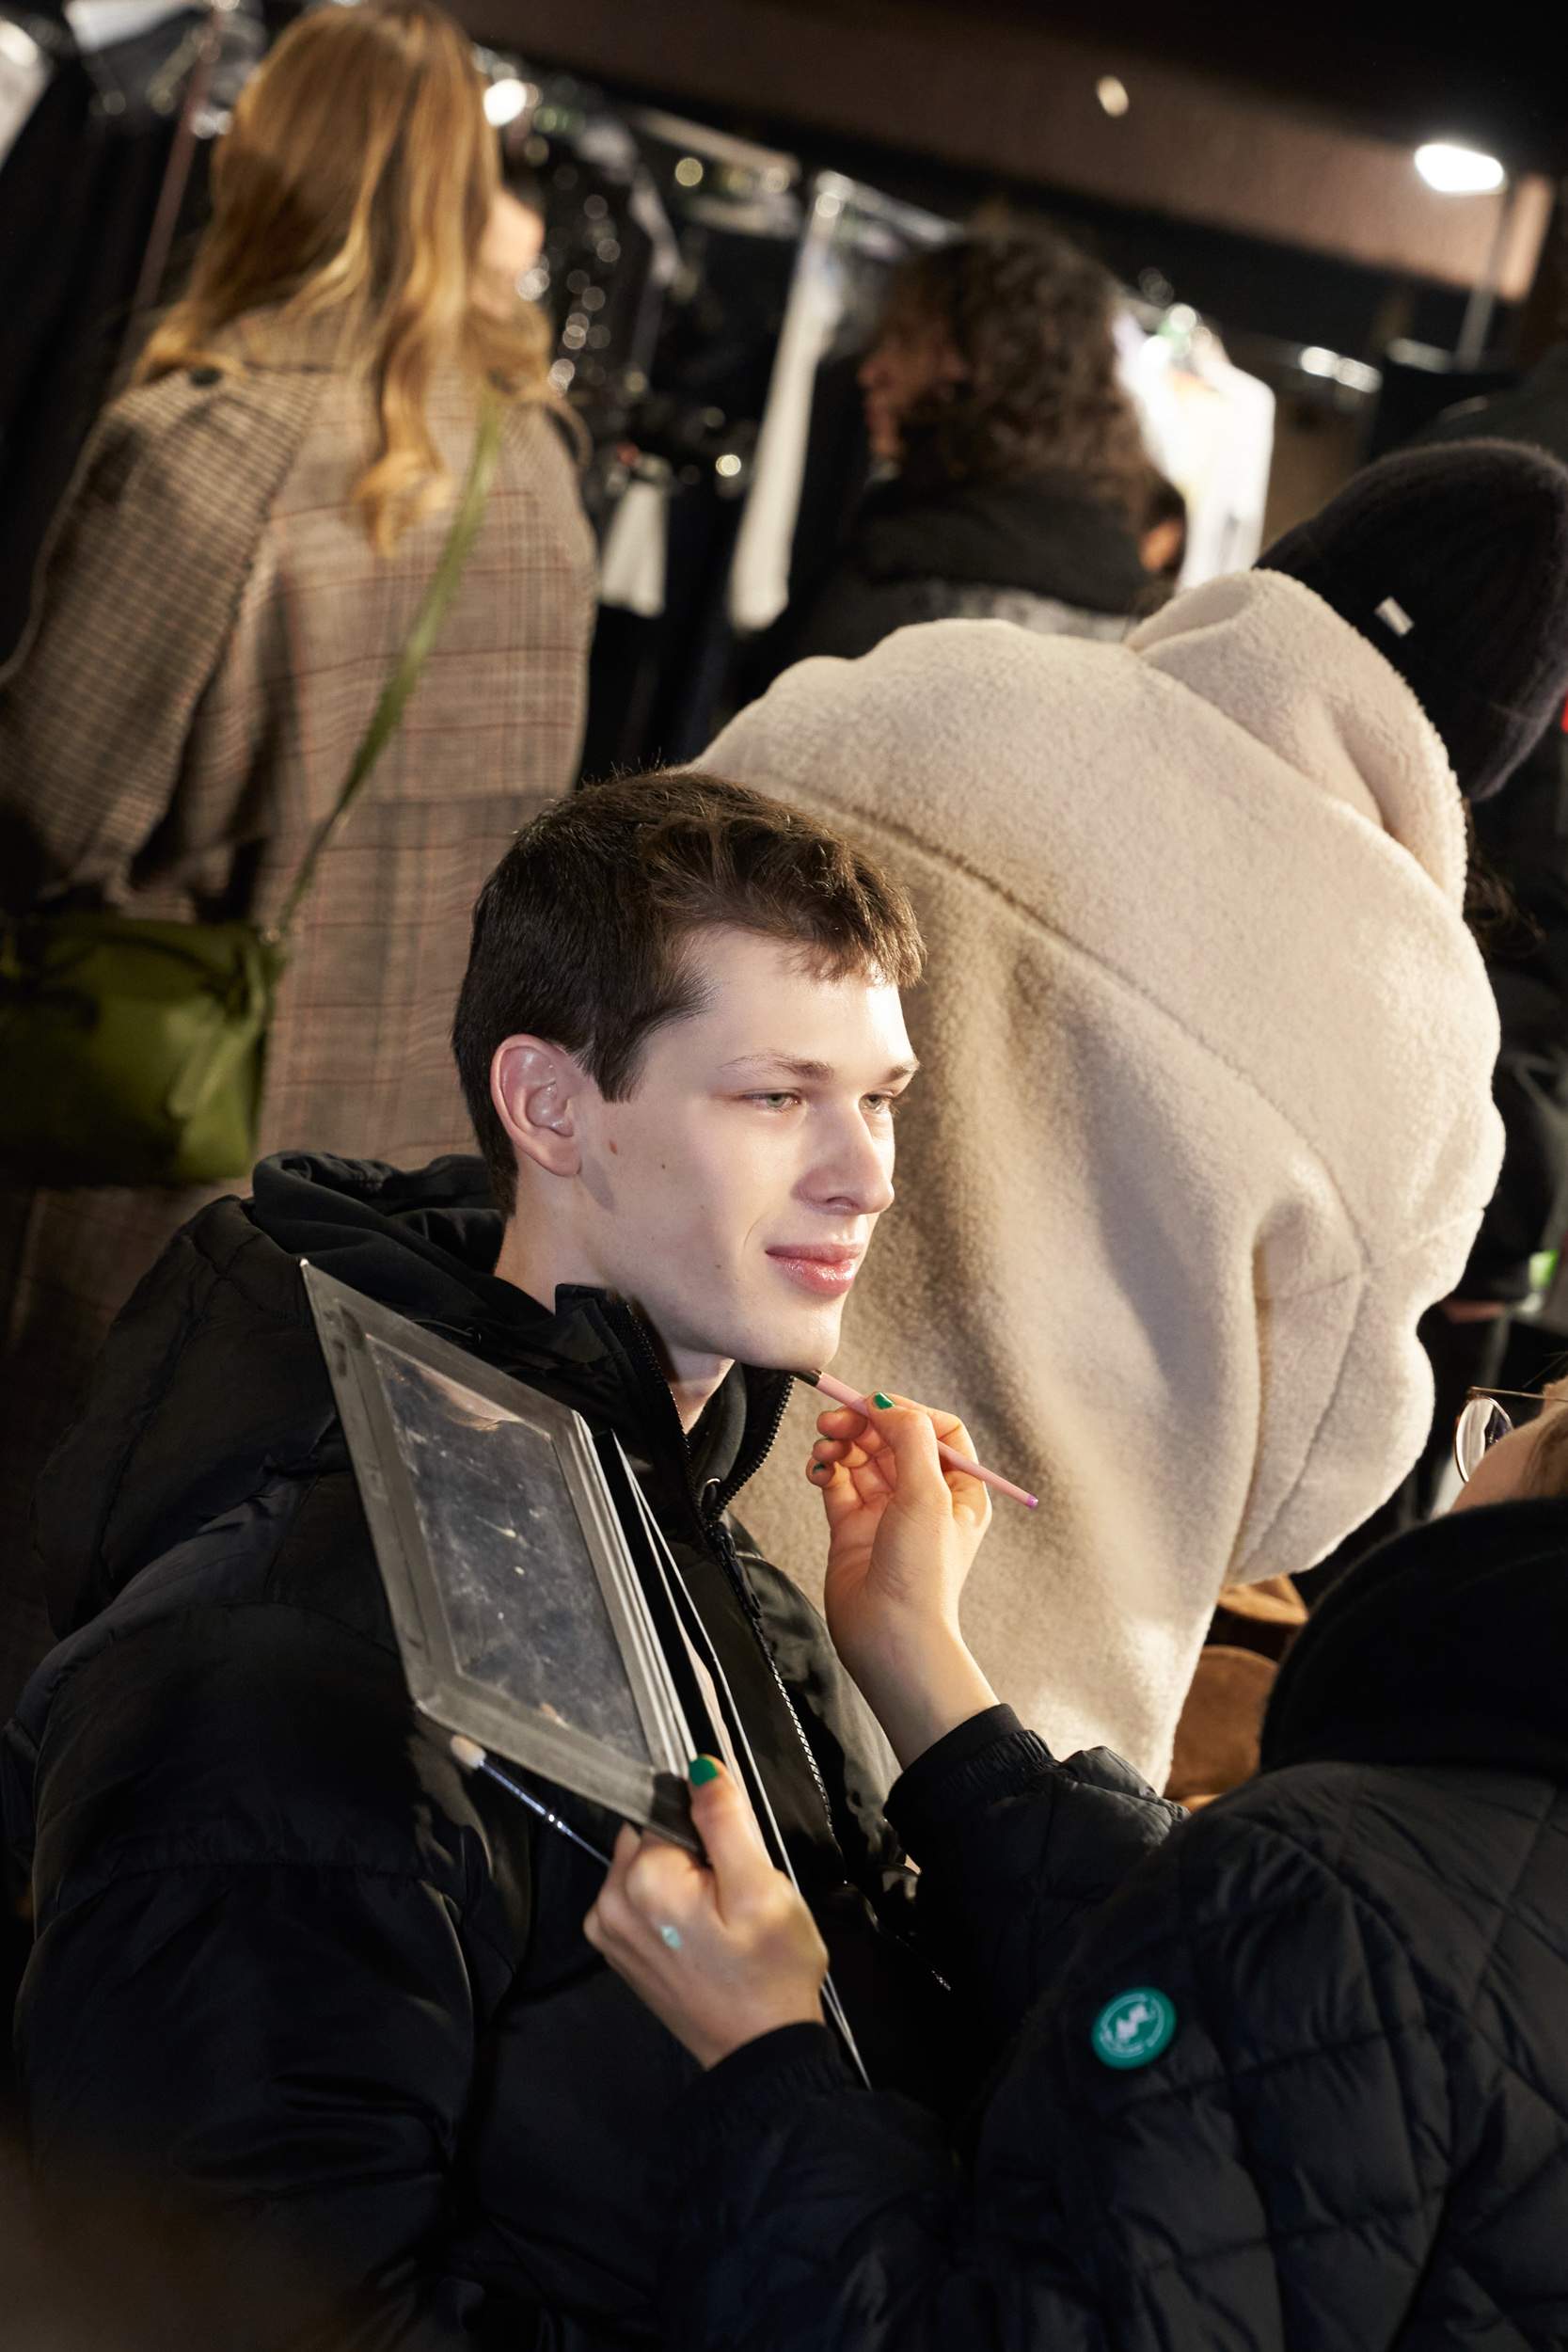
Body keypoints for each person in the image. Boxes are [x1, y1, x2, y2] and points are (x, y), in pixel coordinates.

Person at [1, 772, 966, 2348]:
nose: (863, 1173)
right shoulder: (279, 1654)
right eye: (776, 1096)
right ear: (548, 1106)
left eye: (882, 1098)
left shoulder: (716, 1560)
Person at [700, 439, 1568, 1789]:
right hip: (979, 1726)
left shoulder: (915, 680)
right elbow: (1292, 1509)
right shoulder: (1412, 1014)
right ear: (1481, 760)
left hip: (635, 1485)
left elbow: (605, 971)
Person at [0, 0, 597, 1724]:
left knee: (29, 1598)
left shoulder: (212, 444)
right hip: (379, 1187)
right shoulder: (533, 475)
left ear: (269, 170)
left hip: (130, 1158)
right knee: (206, 1654)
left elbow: (54, 806)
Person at [586, 1369, 1568, 2351]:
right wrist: (920, 1661)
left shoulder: (1338, 1881)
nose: (875, 1200)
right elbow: (1237, 2048)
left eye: (1510, 1430)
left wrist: (762, 2058)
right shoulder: (1431, 1871)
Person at [751, 230, 1157, 688]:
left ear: (989, 365)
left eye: (904, 341)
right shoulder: (1131, 605)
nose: (870, 371)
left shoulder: (906, 576)